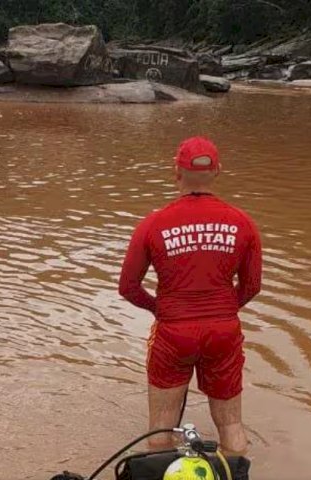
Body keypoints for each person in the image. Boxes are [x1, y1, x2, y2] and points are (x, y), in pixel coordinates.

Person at [118, 136, 262, 456]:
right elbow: (252, 286)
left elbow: (128, 286)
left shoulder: (153, 224)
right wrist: (221, 310)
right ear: (218, 171)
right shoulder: (243, 223)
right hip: (223, 332)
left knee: (161, 427)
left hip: (173, 332)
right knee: (232, 426)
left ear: (175, 171)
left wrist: (163, 309)